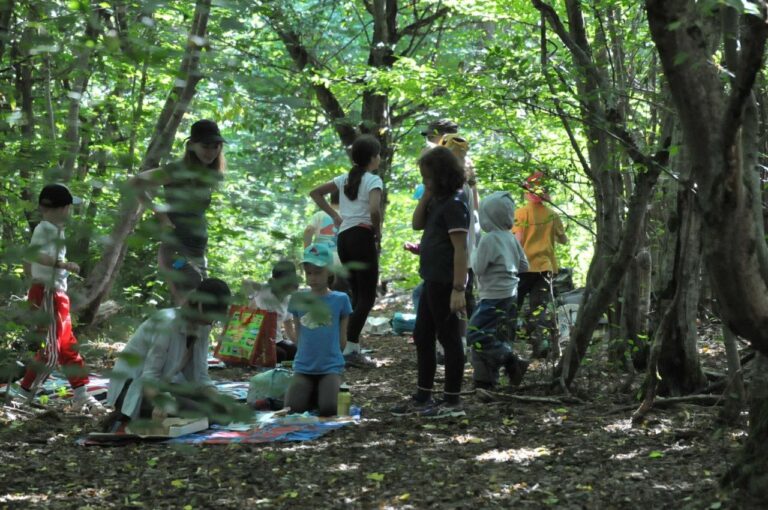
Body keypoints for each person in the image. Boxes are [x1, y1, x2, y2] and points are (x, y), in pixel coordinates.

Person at [390, 146, 469, 418]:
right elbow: (416, 224)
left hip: (447, 282)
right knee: (422, 336)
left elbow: (461, 249)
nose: (424, 182)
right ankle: (423, 396)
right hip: (430, 279)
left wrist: (459, 288)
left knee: (449, 338)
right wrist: (425, 195)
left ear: (442, 175)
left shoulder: (456, 204)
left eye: (428, 178)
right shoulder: (437, 200)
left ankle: (452, 401)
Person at [13, 184, 103, 413]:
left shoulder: (54, 229)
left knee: (67, 345)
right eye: (70, 208)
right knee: (51, 351)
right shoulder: (44, 229)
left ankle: (81, 395)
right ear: (64, 208)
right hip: (47, 293)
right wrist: (60, 265)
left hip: (55, 293)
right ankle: (22, 395)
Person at [103, 278, 232, 427]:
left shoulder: (204, 327)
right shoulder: (167, 323)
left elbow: (201, 376)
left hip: (167, 386)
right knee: (201, 414)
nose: (210, 322)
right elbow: (149, 376)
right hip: (135, 388)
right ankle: (130, 413)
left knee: (221, 411)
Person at [131, 119, 226, 305]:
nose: (212, 151)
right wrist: (159, 212)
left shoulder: (207, 173)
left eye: (216, 146)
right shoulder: (176, 170)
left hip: (197, 250)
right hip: (177, 249)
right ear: (191, 145)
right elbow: (135, 183)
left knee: (198, 307)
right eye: (206, 146)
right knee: (192, 306)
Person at [309, 134, 383, 369]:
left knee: (356, 294)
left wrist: (335, 216)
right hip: (362, 237)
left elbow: (315, 192)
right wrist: (377, 232)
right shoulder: (373, 180)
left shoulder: (344, 179)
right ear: (373, 157)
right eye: (378, 154)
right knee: (367, 297)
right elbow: (374, 209)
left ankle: (350, 346)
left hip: (344, 239)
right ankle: (350, 349)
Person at [468, 191, 529, 389]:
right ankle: (485, 382)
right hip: (511, 294)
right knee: (498, 335)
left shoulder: (489, 239)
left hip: (493, 296)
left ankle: (512, 361)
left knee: (476, 335)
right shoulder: (510, 238)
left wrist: (474, 254)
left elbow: (477, 268)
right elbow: (524, 266)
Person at [284, 244, 352, 416]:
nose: (313, 277)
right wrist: (302, 356)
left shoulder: (340, 299)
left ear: (329, 271)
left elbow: (343, 336)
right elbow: (298, 333)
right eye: (309, 273)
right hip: (304, 367)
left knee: (329, 409)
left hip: (329, 367)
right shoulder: (298, 299)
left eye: (318, 272)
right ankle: (312, 392)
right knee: (292, 409)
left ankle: (324, 390)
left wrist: (335, 360)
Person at [513, 172, 568, 359]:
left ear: (527, 192)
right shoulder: (552, 215)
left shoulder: (520, 213)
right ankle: (541, 343)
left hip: (524, 267)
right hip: (545, 267)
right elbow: (564, 240)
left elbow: (517, 240)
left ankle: (508, 340)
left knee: (514, 303)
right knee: (541, 307)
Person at [243, 261, 299, 363]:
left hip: (275, 340)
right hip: (256, 340)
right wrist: (251, 299)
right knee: (280, 354)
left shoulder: (290, 297)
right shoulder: (263, 289)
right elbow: (245, 282)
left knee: (294, 351)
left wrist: (300, 345)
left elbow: (288, 326)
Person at [303, 190, 348, 293]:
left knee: (322, 292)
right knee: (343, 292)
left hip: (321, 259)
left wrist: (307, 252)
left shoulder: (320, 215)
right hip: (342, 260)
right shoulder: (349, 216)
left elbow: (308, 230)